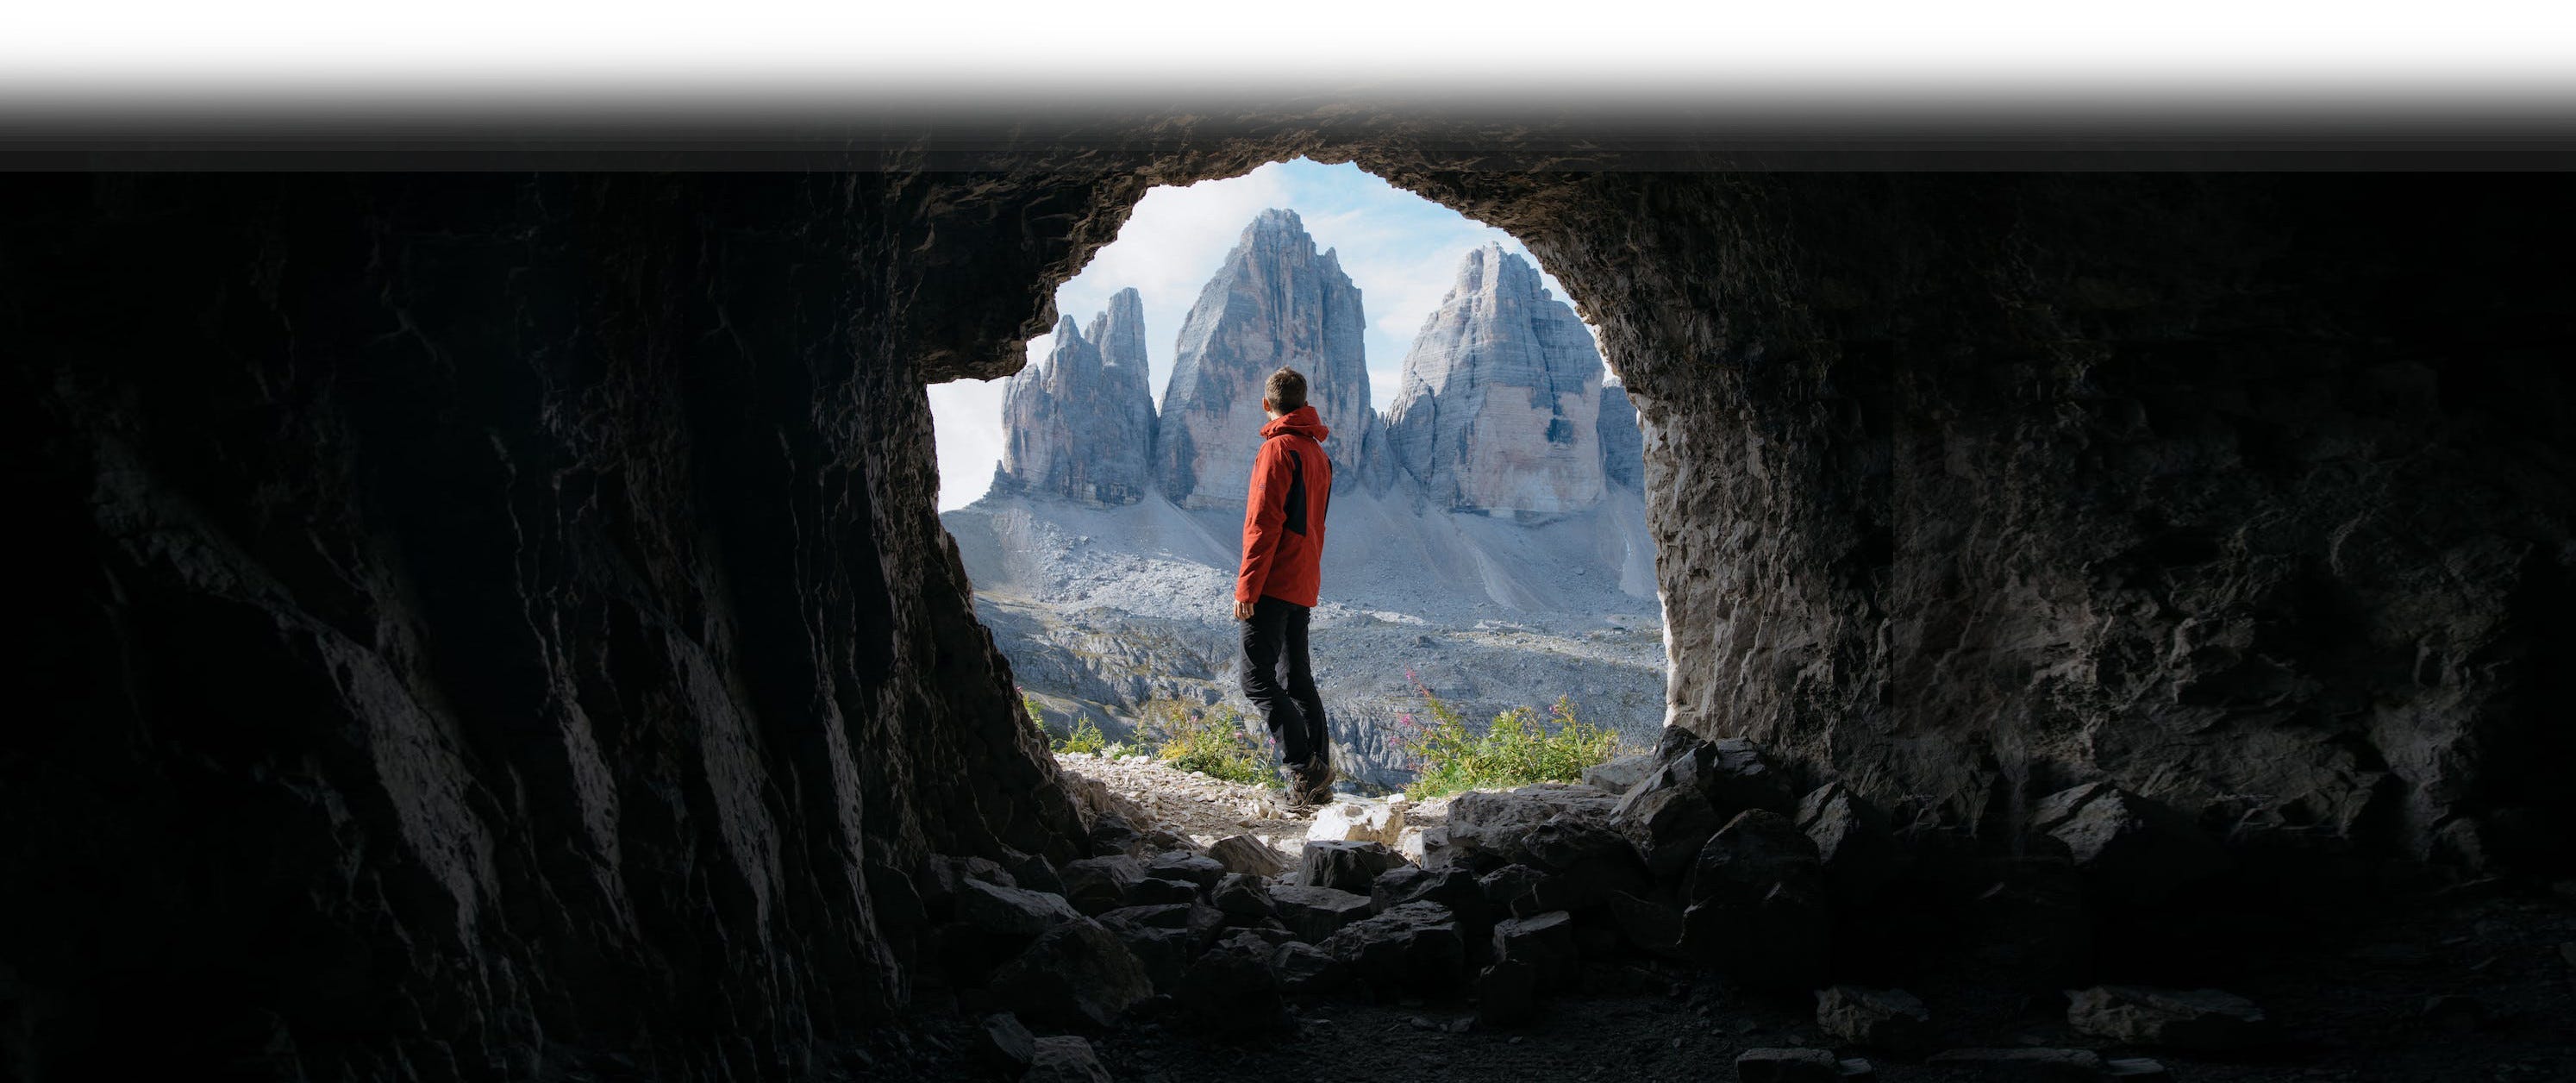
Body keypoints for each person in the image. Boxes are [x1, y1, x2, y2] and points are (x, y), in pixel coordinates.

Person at [1233, 366, 1336, 807]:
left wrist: (1246, 589)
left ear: (1266, 404)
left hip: (1274, 581)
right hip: (1303, 579)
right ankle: (1318, 783)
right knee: (1297, 681)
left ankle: (1305, 767)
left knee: (1255, 679)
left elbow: (1263, 524)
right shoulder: (1318, 453)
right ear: (1304, 401)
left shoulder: (1278, 450)